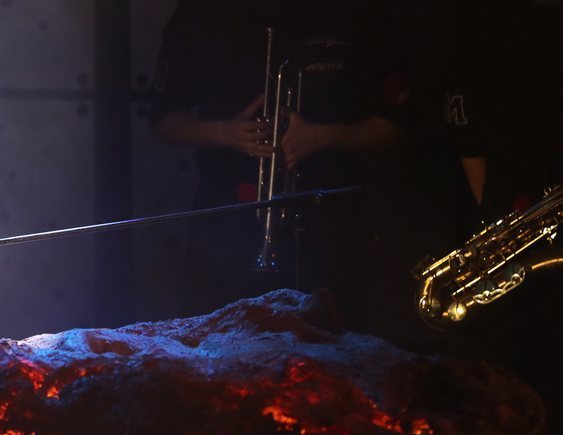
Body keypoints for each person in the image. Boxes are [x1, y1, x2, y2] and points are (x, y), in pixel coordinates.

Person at [150, 0, 408, 321]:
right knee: (215, 354)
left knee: (328, 353)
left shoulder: (359, 13)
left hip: (327, 228)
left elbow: (395, 127)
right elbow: (162, 120)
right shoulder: (200, 12)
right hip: (223, 226)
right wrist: (226, 133)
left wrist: (320, 137)